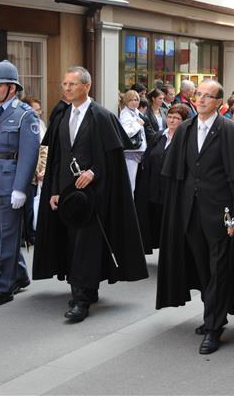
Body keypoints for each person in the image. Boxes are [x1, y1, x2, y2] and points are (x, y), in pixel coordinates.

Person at [156, 80, 234, 355]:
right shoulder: (185, 129)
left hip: (222, 215)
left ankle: (213, 328)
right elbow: (178, 174)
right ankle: (213, 312)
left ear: (220, 103)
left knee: (219, 268)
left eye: (208, 96)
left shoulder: (230, 131)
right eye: (199, 95)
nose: (202, 100)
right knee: (202, 268)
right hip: (190, 213)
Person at [33, 66, 148, 322]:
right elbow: (56, 156)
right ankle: (87, 287)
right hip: (65, 192)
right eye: (64, 84)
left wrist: (94, 172)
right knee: (71, 243)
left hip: (93, 194)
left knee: (86, 243)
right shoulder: (62, 116)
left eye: (72, 84)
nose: (66, 88)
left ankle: (80, 299)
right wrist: (53, 190)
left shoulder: (102, 116)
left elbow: (113, 158)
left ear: (86, 86)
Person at [0, 60, 40, 306]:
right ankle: (19, 275)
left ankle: (4, 287)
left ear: (11, 87)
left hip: (10, 184)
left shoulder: (24, 115)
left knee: (8, 237)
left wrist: (21, 187)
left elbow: (29, 154)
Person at [135, 104, 190, 253]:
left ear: (184, 121)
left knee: (171, 225)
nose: (171, 120)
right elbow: (147, 159)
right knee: (154, 222)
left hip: (172, 191)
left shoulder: (187, 140)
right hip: (153, 189)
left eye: (176, 118)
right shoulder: (158, 136)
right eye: (170, 116)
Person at [21, 96, 48, 246]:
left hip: (39, 170)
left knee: (33, 206)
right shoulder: (24, 124)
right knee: (26, 207)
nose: (39, 113)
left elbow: (44, 148)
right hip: (27, 173)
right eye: (36, 110)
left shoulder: (41, 124)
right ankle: (26, 235)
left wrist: (42, 169)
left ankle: (32, 233)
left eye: (39, 110)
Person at [120, 90, 147, 193]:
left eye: (136, 99)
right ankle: (128, 207)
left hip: (138, 150)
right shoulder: (125, 114)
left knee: (135, 182)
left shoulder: (135, 112)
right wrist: (138, 124)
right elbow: (126, 133)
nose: (134, 102)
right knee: (130, 183)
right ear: (126, 101)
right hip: (131, 152)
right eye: (131, 100)